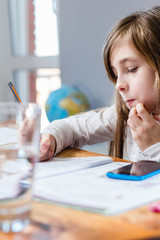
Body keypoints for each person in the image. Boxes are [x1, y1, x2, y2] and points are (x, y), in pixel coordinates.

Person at [40, 6, 160, 163]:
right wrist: (51, 139)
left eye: (131, 69)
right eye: (116, 75)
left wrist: (155, 147)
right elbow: (74, 128)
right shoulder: (125, 116)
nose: (119, 85)